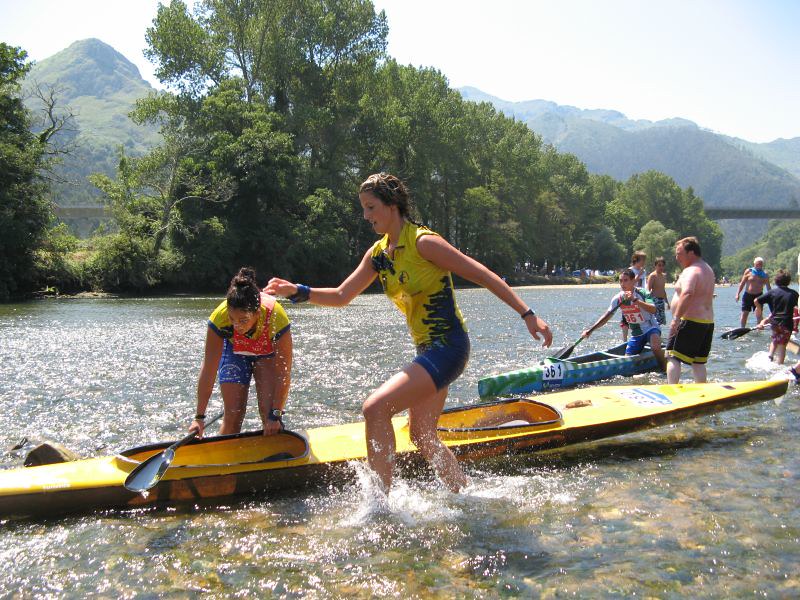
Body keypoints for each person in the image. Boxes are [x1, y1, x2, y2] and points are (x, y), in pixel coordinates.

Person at [265, 172, 552, 492]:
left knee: (375, 408)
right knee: (422, 434)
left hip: (448, 347)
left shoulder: (423, 243)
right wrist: (298, 291)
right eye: (363, 208)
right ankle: (465, 493)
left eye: (371, 207)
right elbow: (342, 295)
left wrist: (527, 314)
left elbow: (482, 275)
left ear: (392, 206)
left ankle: (381, 503)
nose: (366, 216)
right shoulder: (378, 255)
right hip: (428, 350)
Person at [191, 267, 293, 437]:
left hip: (265, 354)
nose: (237, 326)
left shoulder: (277, 317)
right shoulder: (219, 318)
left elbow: (283, 373)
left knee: (268, 414)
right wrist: (199, 417)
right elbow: (209, 369)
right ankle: (224, 451)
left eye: (243, 320)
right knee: (233, 414)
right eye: (232, 319)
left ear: (257, 313)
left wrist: (276, 413)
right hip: (235, 352)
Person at [581, 268, 666, 370]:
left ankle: (664, 370)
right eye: (620, 281)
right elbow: (606, 317)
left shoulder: (643, 293)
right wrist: (590, 331)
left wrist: (635, 300)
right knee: (627, 361)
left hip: (651, 328)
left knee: (655, 347)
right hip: (636, 334)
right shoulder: (618, 298)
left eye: (626, 280)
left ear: (633, 281)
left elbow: (653, 309)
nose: (622, 284)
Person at [666, 237, 716, 384]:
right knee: (698, 361)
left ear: (691, 253)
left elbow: (687, 293)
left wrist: (676, 319)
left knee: (672, 356)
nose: (677, 258)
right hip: (707, 322)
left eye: (679, 254)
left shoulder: (691, 270)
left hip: (690, 321)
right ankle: (702, 389)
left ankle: (672, 389)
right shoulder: (707, 269)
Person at [753, 270, 799, 364]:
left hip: (774, 323)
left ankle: (770, 357)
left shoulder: (772, 292)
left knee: (775, 340)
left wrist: (759, 311)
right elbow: (796, 308)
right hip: (786, 323)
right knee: (782, 345)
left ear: (776, 281)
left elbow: (756, 300)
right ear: (789, 281)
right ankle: (779, 365)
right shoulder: (794, 294)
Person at [735, 257, 770, 328]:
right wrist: (737, 294)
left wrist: (771, 297)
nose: (759, 265)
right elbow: (742, 283)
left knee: (759, 314)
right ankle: (742, 328)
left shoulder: (765, 274)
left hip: (759, 296)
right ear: (754, 264)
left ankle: (759, 328)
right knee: (745, 313)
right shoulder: (749, 271)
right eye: (757, 264)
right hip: (748, 295)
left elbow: (768, 286)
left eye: (760, 264)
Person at [621, 251, 647, 342]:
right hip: (629, 296)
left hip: (640, 296)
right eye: (642, 260)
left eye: (644, 260)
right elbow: (631, 283)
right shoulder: (630, 270)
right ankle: (624, 340)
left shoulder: (643, 271)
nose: (644, 262)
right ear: (636, 260)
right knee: (626, 318)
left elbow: (644, 284)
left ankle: (642, 336)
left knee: (641, 317)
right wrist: (639, 274)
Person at [646, 257, 670, 326]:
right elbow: (648, 290)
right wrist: (648, 302)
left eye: (662, 265)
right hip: (654, 301)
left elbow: (663, 290)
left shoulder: (663, 276)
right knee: (655, 322)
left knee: (661, 322)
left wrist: (667, 302)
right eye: (659, 265)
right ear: (655, 266)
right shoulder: (652, 276)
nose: (661, 267)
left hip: (661, 301)